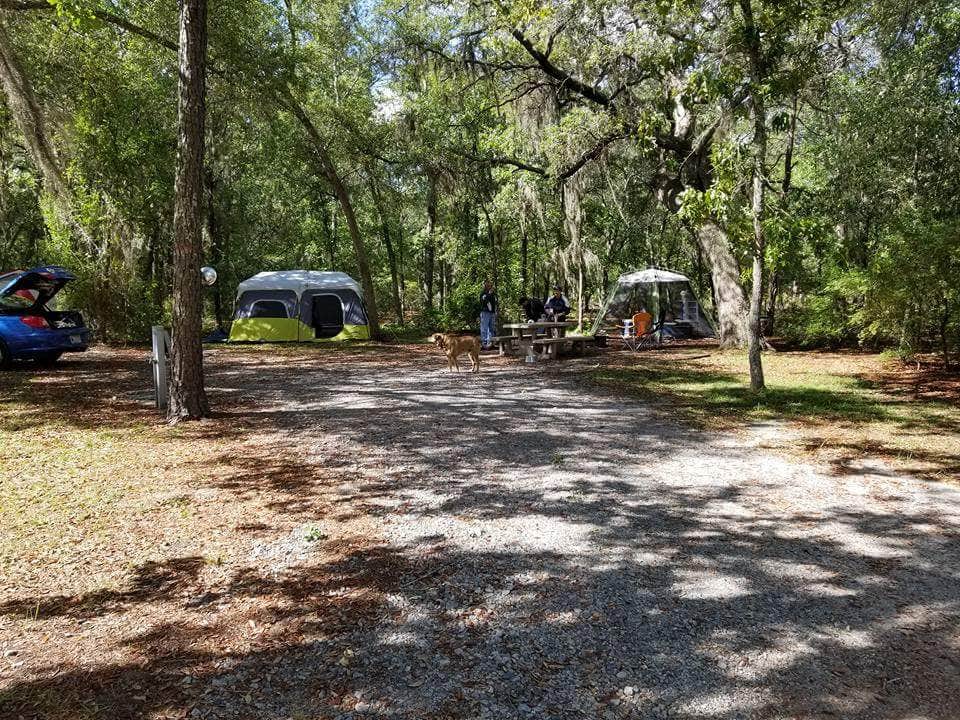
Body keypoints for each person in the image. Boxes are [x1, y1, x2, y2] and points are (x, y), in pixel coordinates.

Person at [479, 280, 498, 350]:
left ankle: (491, 343)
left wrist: (495, 311)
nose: (489, 286)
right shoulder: (483, 293)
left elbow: (494, 302)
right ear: (485, 286)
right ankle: (484, 344)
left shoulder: (493, 294)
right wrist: (489, 294)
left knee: (492, 328)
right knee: (484, 328)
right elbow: (484, 301)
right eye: (487, 285)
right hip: (485, 312)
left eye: (490, 285)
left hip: (492, 313)